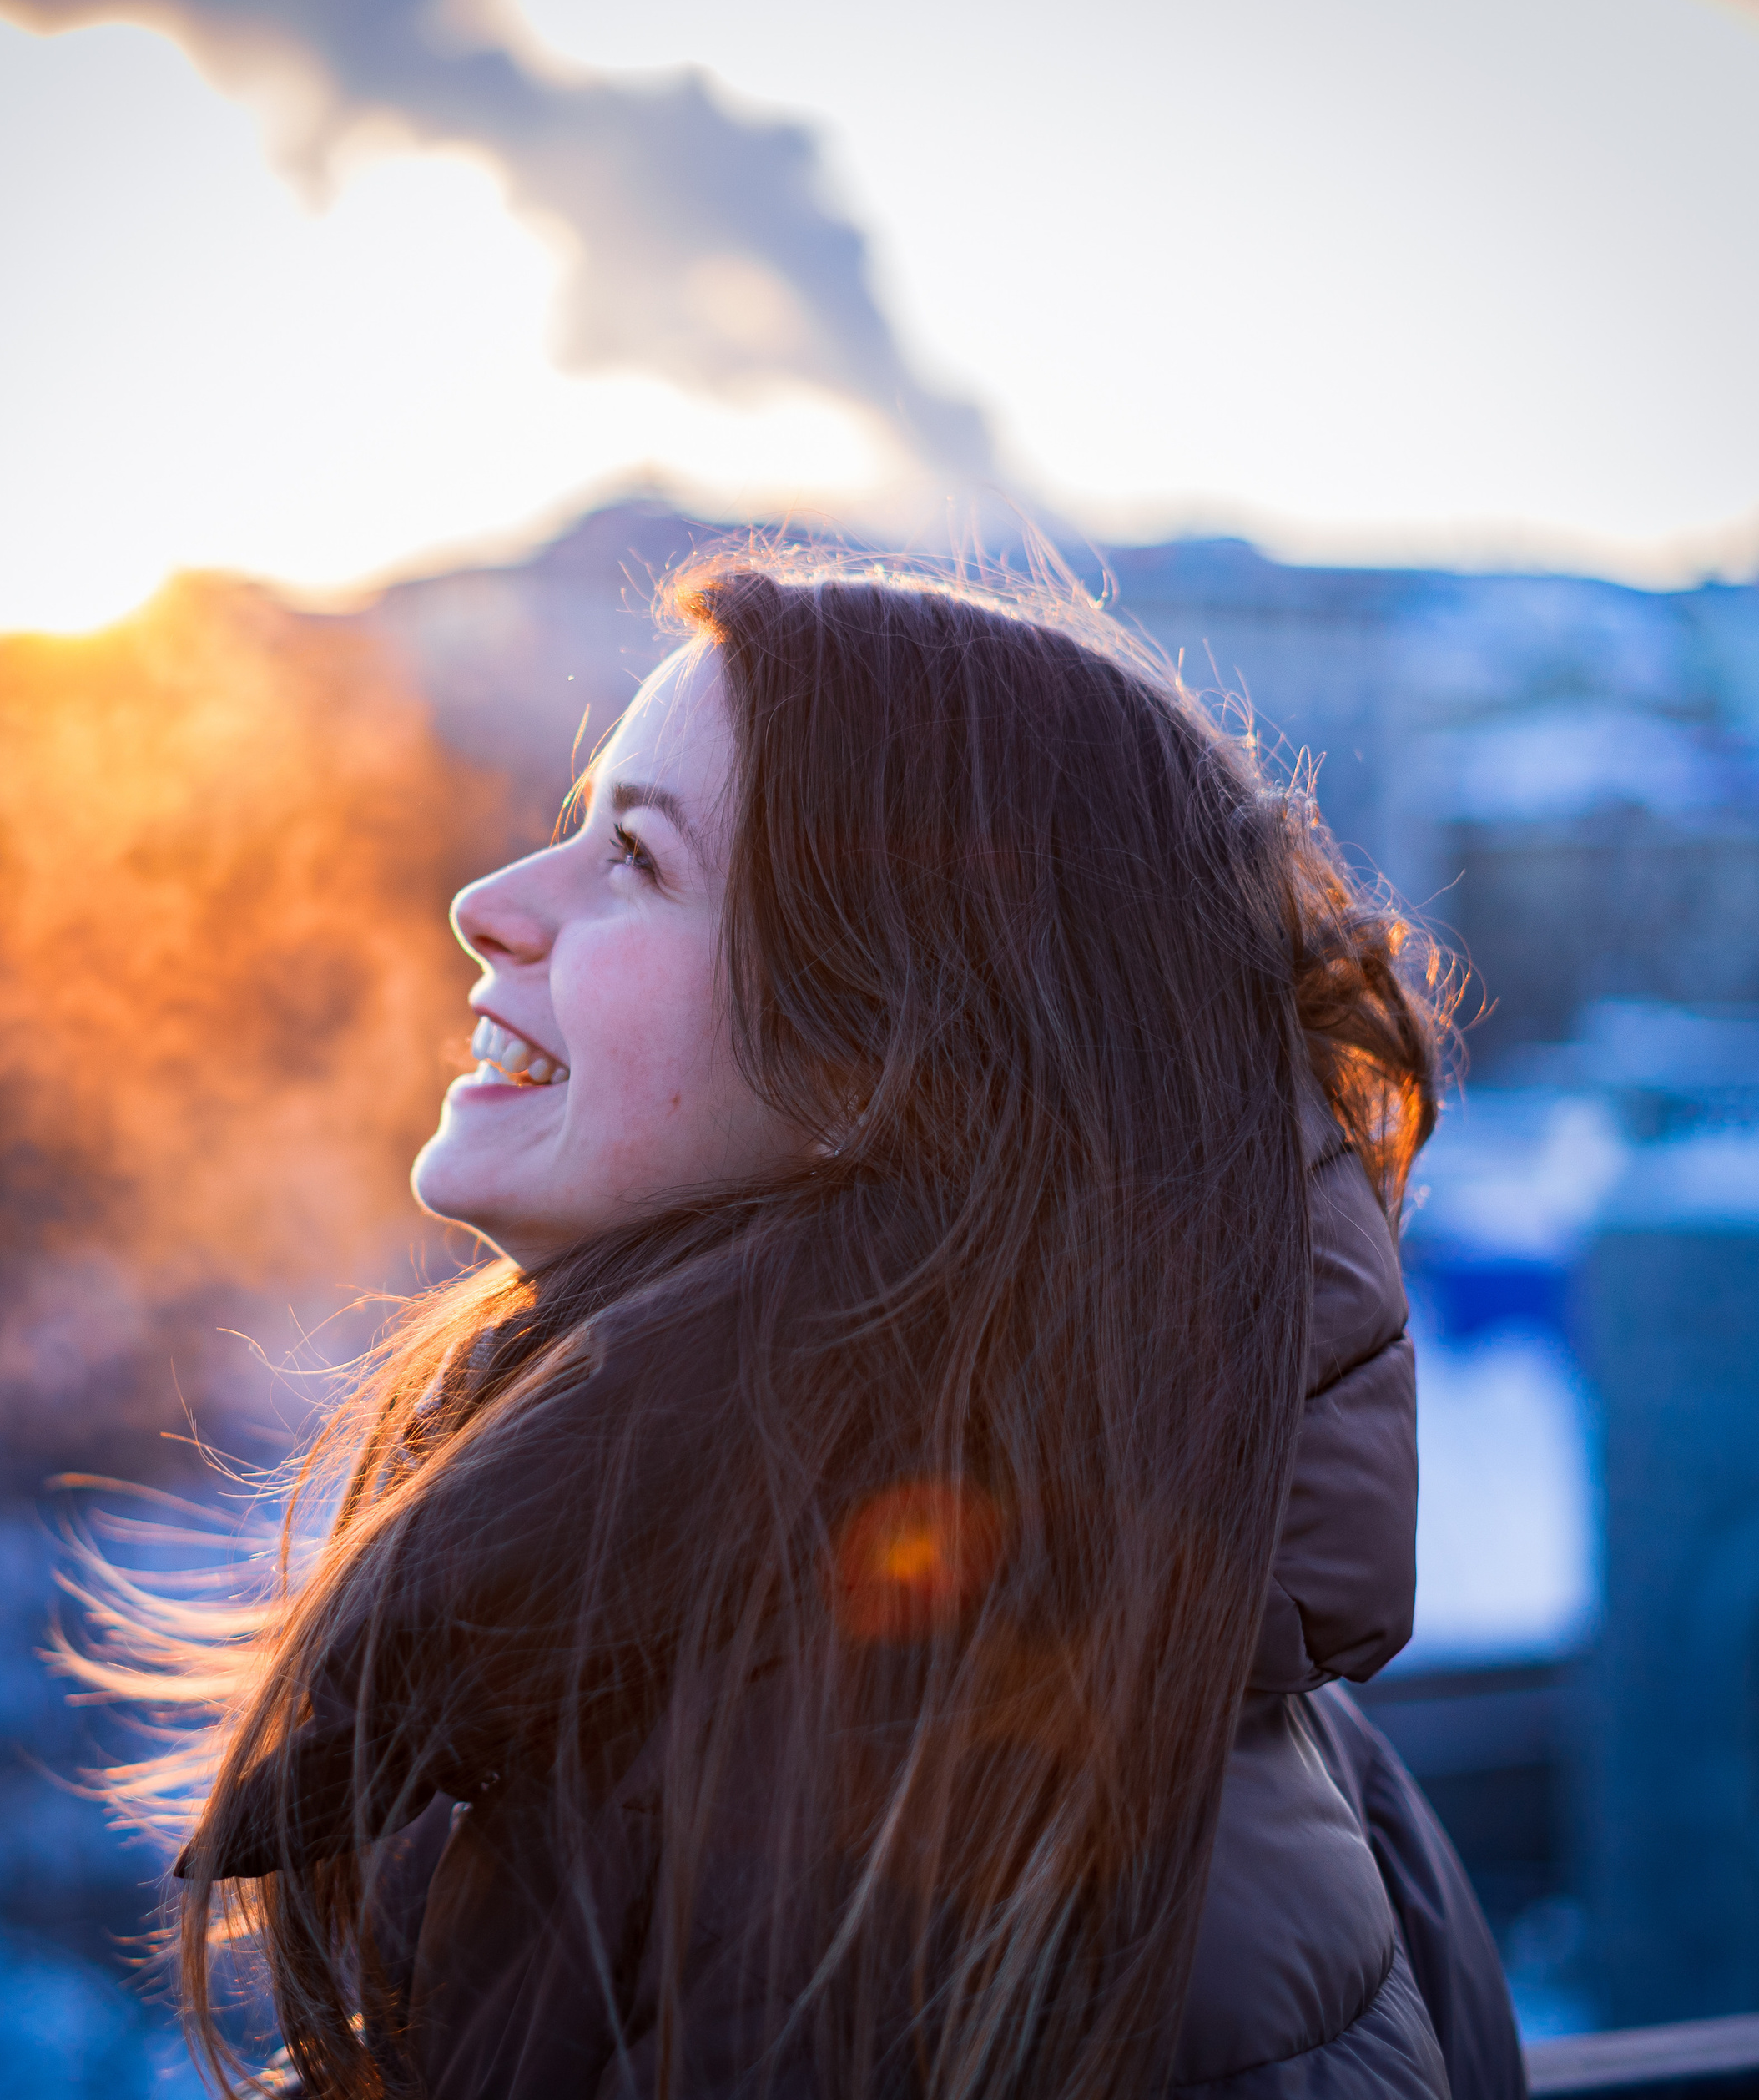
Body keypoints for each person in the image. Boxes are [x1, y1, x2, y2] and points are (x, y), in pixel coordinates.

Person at [151, 556, 1525, 2097]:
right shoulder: (997, 1672)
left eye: (638, 861)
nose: (489, 909)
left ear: (892, 1059)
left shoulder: (865, 1843)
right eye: (568, 830)